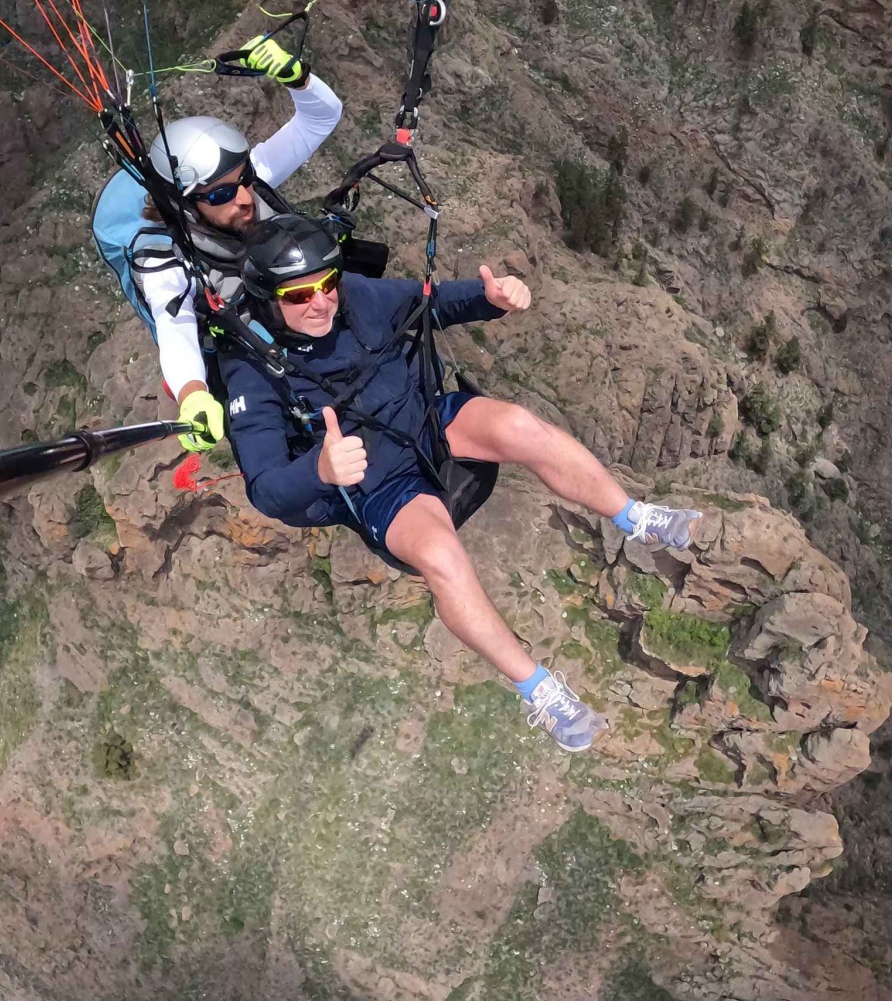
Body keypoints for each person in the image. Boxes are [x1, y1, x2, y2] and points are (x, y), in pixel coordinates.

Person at [219, 214, 705, 753]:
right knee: (443, 558)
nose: (321, 302)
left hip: (428, 420)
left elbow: (430, 302)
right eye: (299, 295)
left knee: (521, 425)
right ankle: (539, 690)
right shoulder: (251, 368)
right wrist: (321, 470)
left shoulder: (354, 296)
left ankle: (635, 518)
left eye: (326, 285)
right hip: (379, 484)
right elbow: (264, 487)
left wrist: (489, 298)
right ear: (267, 300)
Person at [137, 36, 343, 457]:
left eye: (245, 179)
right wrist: (193, 394)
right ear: (184, 204)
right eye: (218, 196)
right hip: (260, 360)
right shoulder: (162, 256)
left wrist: (298, 79)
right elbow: (173, 326)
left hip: (312, 316)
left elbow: (320, 120)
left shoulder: (250, 180)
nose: (245, 198)